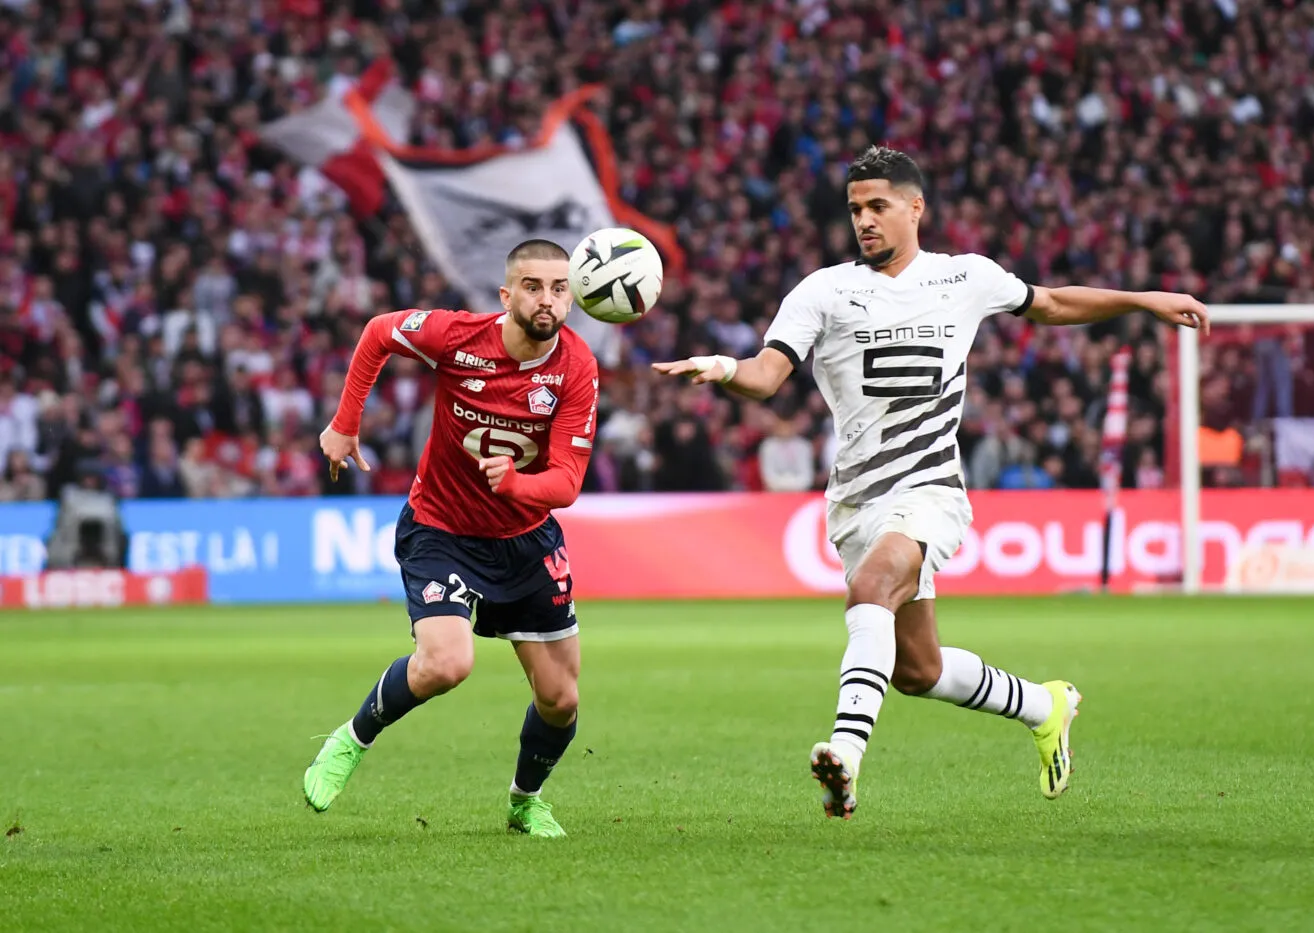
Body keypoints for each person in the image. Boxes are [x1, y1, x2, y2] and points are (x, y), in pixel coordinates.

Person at [654, 147, 1209, 820]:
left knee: (871, 588)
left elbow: (1053, 302)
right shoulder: (823, 291)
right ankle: (1045, 705)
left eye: (878, 206)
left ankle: (845, 755)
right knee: (919, 670)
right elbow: (766, 376)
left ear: (915, 208)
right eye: (855, 209)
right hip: (856, 501)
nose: (864, 220)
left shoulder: (964, 277)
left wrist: (1143, 300)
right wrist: (721, 367)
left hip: (931, 490)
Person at [304, 240, 600, 838]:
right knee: (446, 663)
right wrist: (345, 423)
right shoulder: (459, 337)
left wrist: (516, 484)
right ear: (507, 295)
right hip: (441, 530)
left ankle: (525, 801)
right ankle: (351, 740)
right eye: (533, 287)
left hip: (525, 540)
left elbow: (567, 482)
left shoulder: (577, 367)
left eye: (559, 288)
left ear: (572, 297)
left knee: (561, 699)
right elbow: (379, 332)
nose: (547, 300)